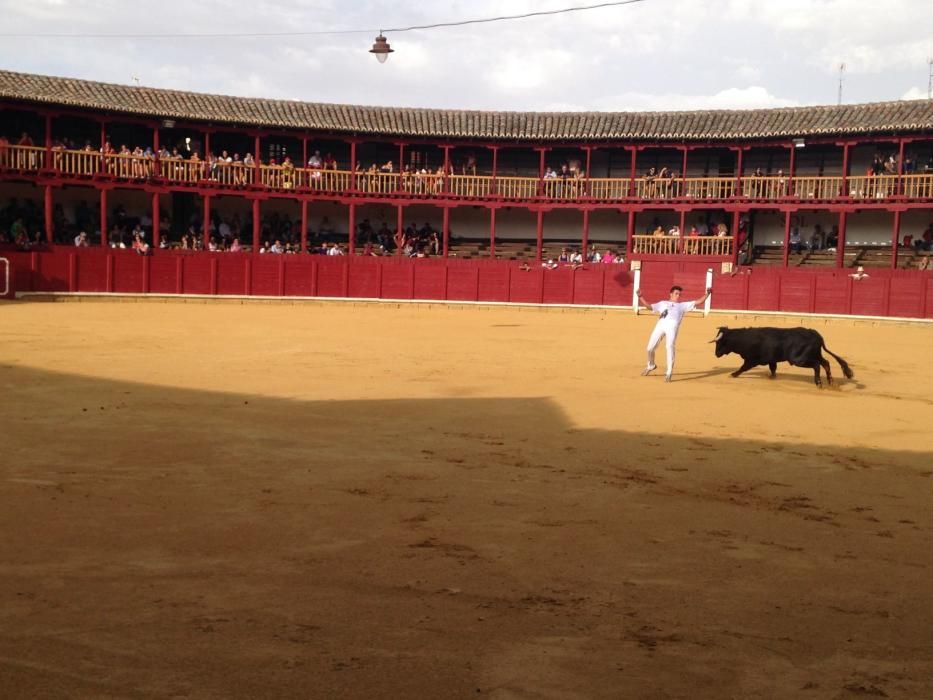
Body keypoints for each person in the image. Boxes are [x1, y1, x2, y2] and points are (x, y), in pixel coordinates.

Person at [636, 285, 712, 383]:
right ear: (670, 294)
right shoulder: (662, 303)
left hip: (672, 326)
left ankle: (669, 372)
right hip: (660, 325)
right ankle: (651, 365)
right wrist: (640, 297)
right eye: (676, 294)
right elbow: (649, 307)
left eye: (679, 294)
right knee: (650, 348)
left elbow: (699, 301)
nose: (678, 296)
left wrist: (708, 294)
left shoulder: (682, 305)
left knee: (669, 346)